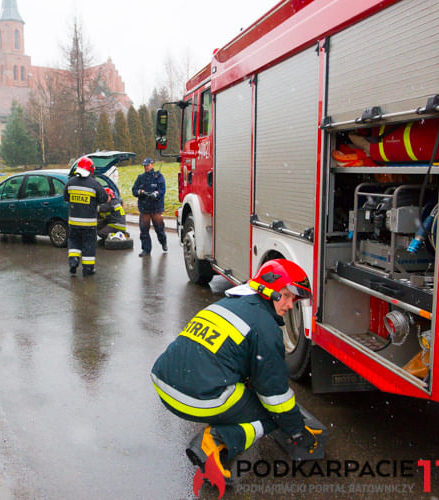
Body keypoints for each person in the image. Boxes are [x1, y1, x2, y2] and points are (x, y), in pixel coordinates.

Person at [150, 259, 321, 482]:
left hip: (164, 382)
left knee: (248, 393)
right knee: (272, 414)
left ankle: (224, 419)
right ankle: (214, 441)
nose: (290, 305)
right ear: (270, 291)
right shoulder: (266, 327)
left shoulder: (228, 304)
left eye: (294, 299)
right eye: (287, 296)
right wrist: (298, 431)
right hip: (194, 397)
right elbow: (275, 396)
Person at [63, 157, 108, 276]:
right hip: (89, 224)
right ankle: (88, 269)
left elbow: (66, 197)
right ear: (91, 170)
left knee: (73, 243)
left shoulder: (70, 182)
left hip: (73, 223)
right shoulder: (94, 184)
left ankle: (73, 262)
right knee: (89, 245)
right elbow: (103, 198)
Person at [132, 157, 167, 257]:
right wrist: (140, 192)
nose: (146, 167)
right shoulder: (140, 177)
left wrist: (156, 194)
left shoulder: (158, 177)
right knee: (144, 231)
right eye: (144, 165)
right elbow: (134, 190)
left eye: (147, 165)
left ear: (152, 165)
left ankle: (163, 242)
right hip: (144, 208)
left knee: (159, 229)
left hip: (156, 208)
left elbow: (162, 190)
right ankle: (146, 250)